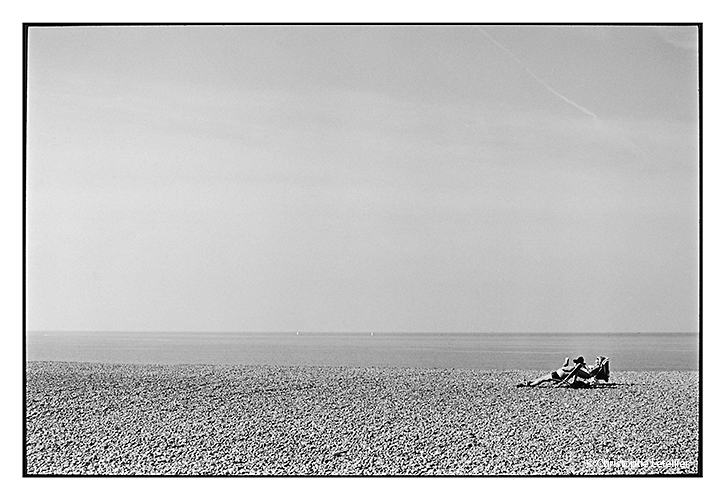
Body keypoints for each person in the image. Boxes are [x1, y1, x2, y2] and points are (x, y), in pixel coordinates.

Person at [520, 356, 594, 387]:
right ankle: (530, 382)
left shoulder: (574, 368)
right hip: (558, 374)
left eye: (575, 362)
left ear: (577, 363)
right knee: (542, 378)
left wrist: (565, 365)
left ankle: (530, 385)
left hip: (557, 375)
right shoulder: (576, 370)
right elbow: (571, 374)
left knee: (542, 379)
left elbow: (565, 369)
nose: (574, 363)